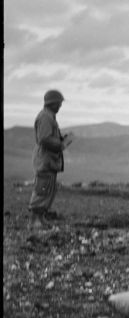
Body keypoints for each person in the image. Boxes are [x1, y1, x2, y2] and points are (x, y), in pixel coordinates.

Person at [28, 90, 72, 230]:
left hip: (49, 160)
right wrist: (61, 144)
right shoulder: (45, 117)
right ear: (52, 103)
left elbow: (47, 137)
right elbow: (44, 139)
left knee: (48, 190)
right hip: (45, 160)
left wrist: (61, 140)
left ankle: (40, 218)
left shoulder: (49, 116)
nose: (60, 106)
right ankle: (34, 221)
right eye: (59, 103)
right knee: (42, 189)